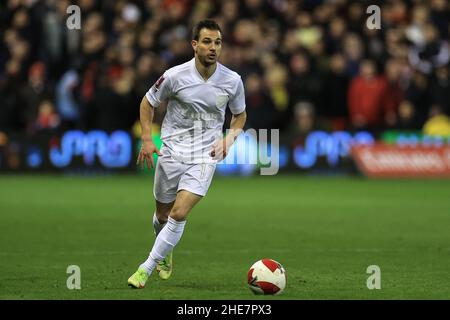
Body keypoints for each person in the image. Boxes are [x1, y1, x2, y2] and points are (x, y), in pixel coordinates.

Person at [127, 19, 247, 288]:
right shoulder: (174, 76)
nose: (213, 47)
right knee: (162, 216)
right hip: (171, 151)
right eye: (207, 41)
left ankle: (145, 268)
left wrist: (229, 138)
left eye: (217, 42)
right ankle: (165, 250)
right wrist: (147, 138)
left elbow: (240, 115)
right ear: (194, 45)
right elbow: (148, 102)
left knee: (179, 214)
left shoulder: (232, 80)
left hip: (205, 155)